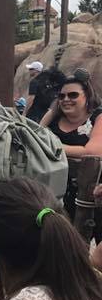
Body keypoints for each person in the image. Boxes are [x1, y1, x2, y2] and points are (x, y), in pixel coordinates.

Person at [41, 75, 102, 240]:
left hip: (90, 196)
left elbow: (93, 152)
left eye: (73, 95)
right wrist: (51, 112)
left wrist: (53, 147)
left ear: (87, 96)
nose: (66, 99)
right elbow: (36, 137)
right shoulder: (54, 119)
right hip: (54, 193)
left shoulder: (98, 117)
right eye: (61, 96)